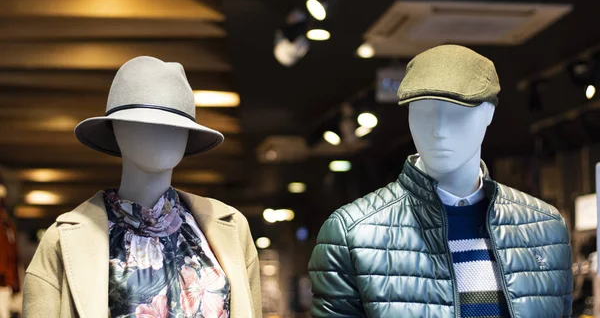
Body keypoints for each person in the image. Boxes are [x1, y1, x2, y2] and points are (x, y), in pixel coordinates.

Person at [308, 45, 573, 317]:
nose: (438, 130)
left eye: (457, 112)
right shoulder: (351, 234)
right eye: (422, 113)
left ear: (489, 113)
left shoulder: (546, 229)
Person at [22, 56, 261, 317]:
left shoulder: (230, 229)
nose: (162, 134)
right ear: (115, 130)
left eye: (175, 126)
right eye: (144, 123)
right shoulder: (63, 240)